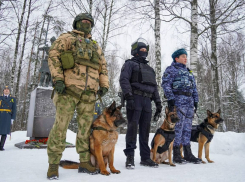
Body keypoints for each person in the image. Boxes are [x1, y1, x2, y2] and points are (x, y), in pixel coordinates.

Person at [47, 13, 109, 179]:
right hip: (68, 90)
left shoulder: (96, 46)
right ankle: (53, 164)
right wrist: (58, 79)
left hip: (89, 94)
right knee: (60, 127)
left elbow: (103, 67)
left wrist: (104, 85)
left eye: (89, 22)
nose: (86, 23)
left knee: (85, 130)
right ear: (76, 23)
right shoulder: (67, 38)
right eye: (84, 21)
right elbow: (54, 57)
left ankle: (84, 161)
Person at [119, 38, 162, 169]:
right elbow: (124, 80)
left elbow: (154, 86)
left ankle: (145, 158)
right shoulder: (129, 64)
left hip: (147, 101)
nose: (143, 52)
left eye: (145, 50)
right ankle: (130, 157)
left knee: (145, 130)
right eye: (141, 50)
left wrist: (158, 103)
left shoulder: (150, 69)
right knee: (132, 128)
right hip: (135, 98)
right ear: (135, 51)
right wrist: (129, 96)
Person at [161, 48, 201, 164]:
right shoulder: (171, 69)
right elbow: (166, 84)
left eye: (186, 56)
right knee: (178, 128)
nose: (185, 58)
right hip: (178, 101)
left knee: (187, 128)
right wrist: (171, 98)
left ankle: (188, 154)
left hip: (189, 102)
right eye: (183, 56)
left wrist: (196, 101)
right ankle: (177, 154)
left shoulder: (189, 72)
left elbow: (194, 87)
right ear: (176, 58)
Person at [0, 86, 16, 151]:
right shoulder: (0, 98)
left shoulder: (12, 99)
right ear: (3, 90)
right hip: (0, 115)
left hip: (7, 116)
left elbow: (14, 109)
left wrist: (12, 118)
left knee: (4, 132)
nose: (6, 90)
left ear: (9, 91)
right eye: (5, 89)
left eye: (8, 89)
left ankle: (1, 146)